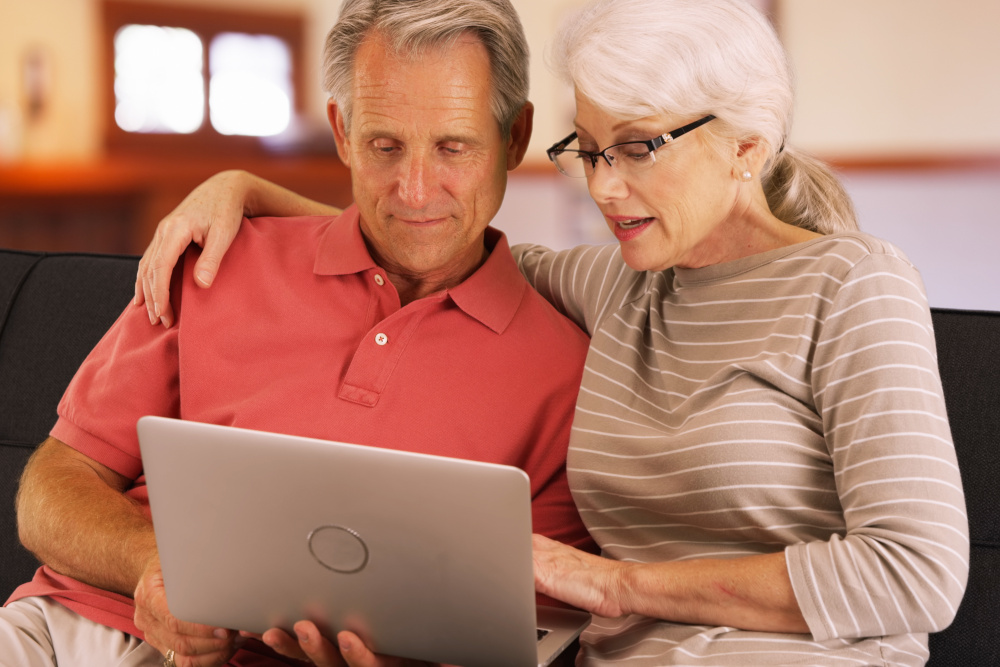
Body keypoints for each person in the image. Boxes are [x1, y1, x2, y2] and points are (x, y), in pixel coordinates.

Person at [136, 0, 971, 665]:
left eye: (639, 148)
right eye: (591, 148)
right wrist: (244, 187)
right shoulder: (616, 282)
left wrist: (618, 584)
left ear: (746, 146)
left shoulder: (854, 284)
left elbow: (916, 573)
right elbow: (429, 224)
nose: (605, 187)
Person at [3, 1, 598, 666]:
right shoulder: (219, 257)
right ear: (342, 132)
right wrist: (157, 569)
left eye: (453, 147)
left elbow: (522, 627)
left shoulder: (565, 376)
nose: (416, 189)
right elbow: (50, 488)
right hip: (69, 627)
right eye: (385, 146)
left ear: (514, 138)